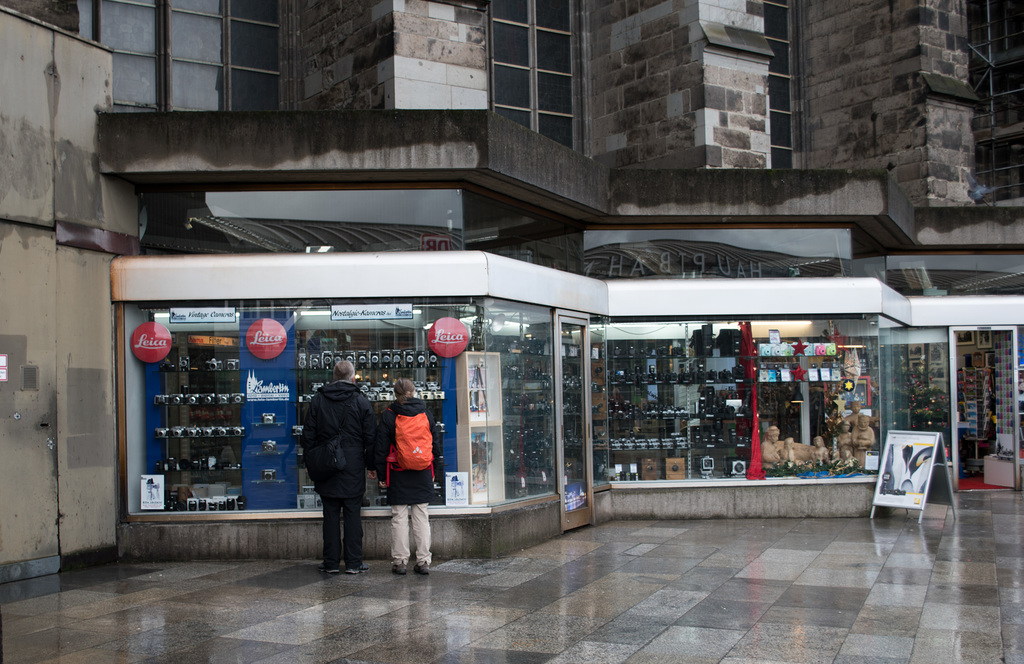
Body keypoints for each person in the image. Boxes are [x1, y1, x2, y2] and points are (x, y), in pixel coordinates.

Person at [301, 360, 377, 574]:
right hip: (353, 464)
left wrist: (309, 462)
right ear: (353, 377)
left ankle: (331, 562)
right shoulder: (361, 401)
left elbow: (308, 435)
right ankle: (353, 562)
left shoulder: (318, 400)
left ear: (333, 376)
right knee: (353, 515)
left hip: (326, 463)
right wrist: (371, 465)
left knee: (330, 516)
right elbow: (370, 437)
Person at [375, 377, 441, 575]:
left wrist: (380, 473)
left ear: (395, 394)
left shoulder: (389, 415)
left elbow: (381, 448)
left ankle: (400, 561)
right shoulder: (426, 414)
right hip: (422, 471)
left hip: (398, 471)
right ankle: (423, 561)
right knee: (421, 516)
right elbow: (435, 446)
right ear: (414, 392)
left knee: (399, 517)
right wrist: (434, 470)